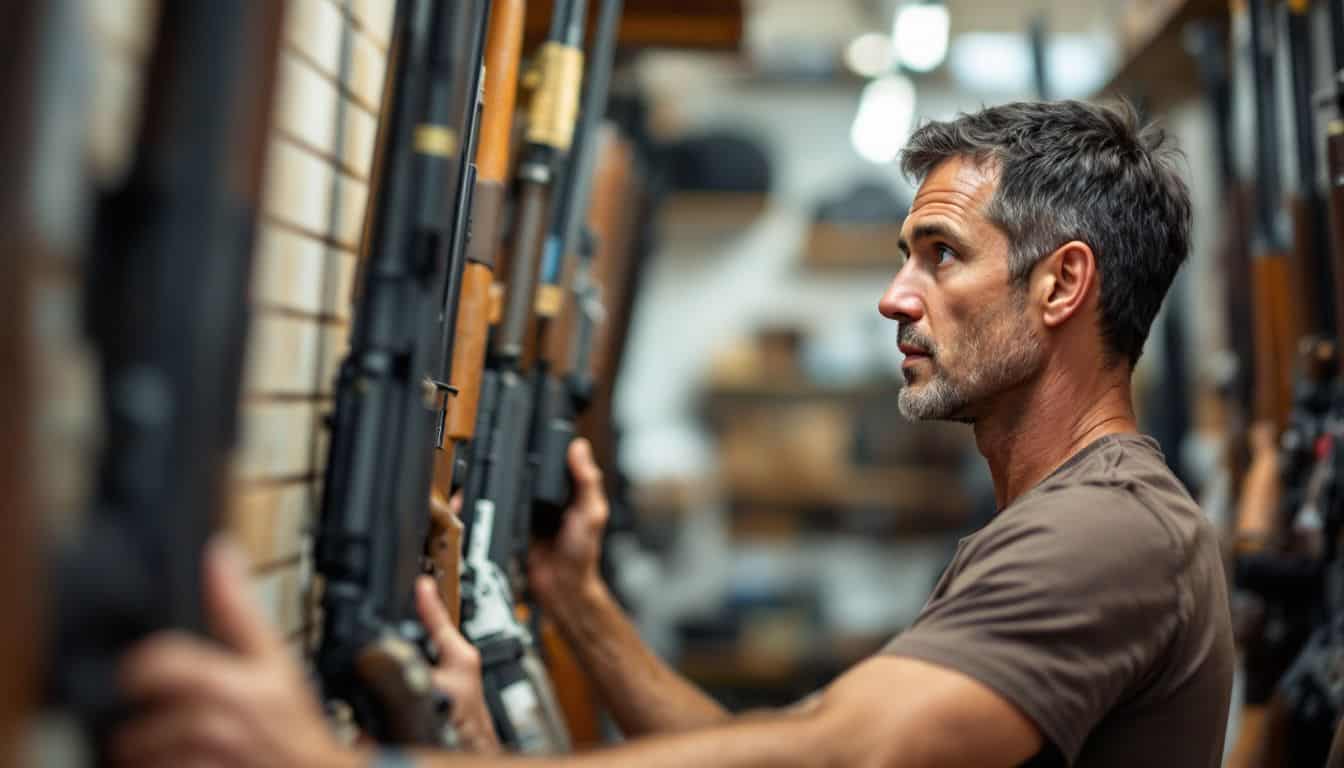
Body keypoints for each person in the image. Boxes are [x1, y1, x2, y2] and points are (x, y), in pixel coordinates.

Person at [112, 99, 1234, 768]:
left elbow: (844, 754)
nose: (896, 296)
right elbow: (801, 738)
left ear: (1061, 286)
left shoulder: (1105, 532)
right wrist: (578, 603)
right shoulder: (1059, 519)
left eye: (940, 254)